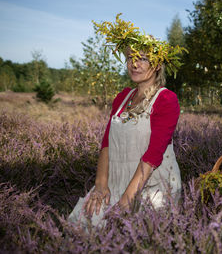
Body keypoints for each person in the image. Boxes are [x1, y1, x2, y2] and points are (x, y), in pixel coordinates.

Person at [68, 14, 186, 228]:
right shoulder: (123, 97)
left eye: (143, 58)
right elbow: (106, 143)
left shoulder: (166, 100)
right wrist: (101, 184)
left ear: (157, 65)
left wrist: (127, 200)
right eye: (131, 58)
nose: (134, 64)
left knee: (133, 235)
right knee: (83, 226)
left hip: (151, 184)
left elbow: (153, 155)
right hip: (115, 180)